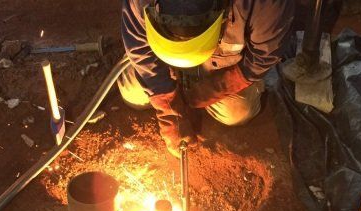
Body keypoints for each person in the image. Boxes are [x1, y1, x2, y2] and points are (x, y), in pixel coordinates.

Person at [118, 0, 295, 157]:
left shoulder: (266, 5)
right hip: (164, 53)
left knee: (236, 112)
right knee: (133, 93)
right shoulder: (141, 3)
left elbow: (262, 57)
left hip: (223, 60)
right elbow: (139, 47)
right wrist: (168, 108)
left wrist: (210, 91)